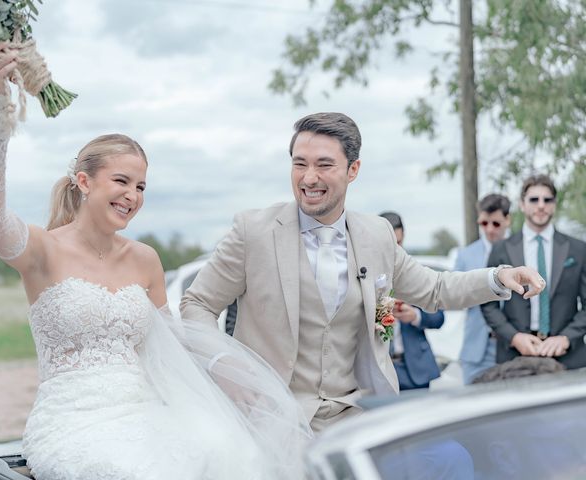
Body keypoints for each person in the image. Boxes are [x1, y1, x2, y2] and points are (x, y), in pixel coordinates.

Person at [0, 40, 311, 480]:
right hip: (73, 424)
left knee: (232, 454)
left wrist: (244, 387)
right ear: (84, 182)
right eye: (122, 181)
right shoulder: (42, 251)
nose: (133, 196)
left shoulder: (145, 259)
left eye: (142, 187)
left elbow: (176, 345)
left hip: (146, 413)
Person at [180, 111, 545, 432]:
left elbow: (435, 288)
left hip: (355, 416)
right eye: (299, 163)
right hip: (272, 418)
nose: (309, 178)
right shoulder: (252, 231)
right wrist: (224, 365)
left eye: (324, 165)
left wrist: (497, 278)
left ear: (353, 170)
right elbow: (197, 303)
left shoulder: (377, 234)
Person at [481, 174, 586, 369]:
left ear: (554, 204)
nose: (540, 205)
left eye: (547, 200)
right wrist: (514, 337)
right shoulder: (501, 249)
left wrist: (566, 338)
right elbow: (488, 305)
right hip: (514, 355)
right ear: (522, 204)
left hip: (569, 355)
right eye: (534, 199)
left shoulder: (578, 249)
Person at [379, 211, 444, 391]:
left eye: (398, 243)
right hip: (379, 371)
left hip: (415, 370)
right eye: (389, 244)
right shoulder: (365, 274)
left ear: (404, 237)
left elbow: (439, 318)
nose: (394, 249)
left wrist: (415, 316)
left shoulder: (415, 272)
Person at [454, 194, 511, 384]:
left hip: (512, 347)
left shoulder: (519, 250)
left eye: (495, 224)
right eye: (483, 223)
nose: (489, 229)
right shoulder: (465, 255)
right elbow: (452, 295)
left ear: (507, 220)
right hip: (476, 348)